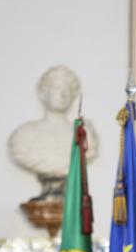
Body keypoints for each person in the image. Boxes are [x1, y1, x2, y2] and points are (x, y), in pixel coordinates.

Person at [8, 65, 99, 198]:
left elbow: (88, 153)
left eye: (67, 90)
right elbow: (21, 153)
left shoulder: (83, 134)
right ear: (43, 93)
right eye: (57, 88)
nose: (63, 95)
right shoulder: (24, 135)